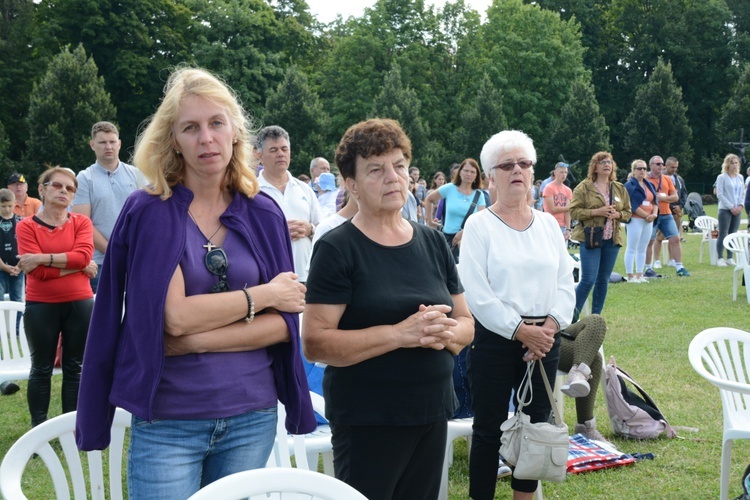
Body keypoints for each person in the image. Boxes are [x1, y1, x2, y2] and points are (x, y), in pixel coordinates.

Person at [74, 68, 316, 498]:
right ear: (173, 140)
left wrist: (198, 340)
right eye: (191, 127)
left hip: (251, 415)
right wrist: (264, 295)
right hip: (170, 417)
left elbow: (284, 324)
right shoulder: (150, 211)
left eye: (216, 123)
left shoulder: (263, 212)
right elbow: (177, 318)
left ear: (236, 132)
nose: (206, 138)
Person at [303, 118, 474, 500]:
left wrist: (445, 333)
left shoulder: (432, 242)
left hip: (432, 410)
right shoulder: (337, 248)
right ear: (351, 184)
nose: (392, 177)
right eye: (375, 170)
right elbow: (315, 343)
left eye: (398, 165)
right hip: (369, 418)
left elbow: (466, 323)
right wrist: (400, 334)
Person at [459, 129, 575, 500]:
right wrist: (520, 330)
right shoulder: (479, 225)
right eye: (507, 165)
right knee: (488, 428)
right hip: (496, 340)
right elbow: (477, 293)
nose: (517, 171)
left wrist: (551, 328)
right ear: (490, 176)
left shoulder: (547, 225)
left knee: (536, 426)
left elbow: (565, 282)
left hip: (545, 341)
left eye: (524, 163)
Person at [16, 167, 96, 427]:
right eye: (57, 186)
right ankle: (39, 429)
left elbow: (83, 256)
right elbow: (37, 274)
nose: (64, 191)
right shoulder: (27, 226)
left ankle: (73, 428)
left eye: (70, 188)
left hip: (80, 303)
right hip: (41, 305)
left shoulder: (82, 223)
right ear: (42, 189)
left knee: (75, 368)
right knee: (41, 369)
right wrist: (77, 267)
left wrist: (42, 258)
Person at [72, 121, 146, 293]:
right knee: (104, 318)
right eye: (102, 142)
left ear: (119, 144)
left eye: (112, 142)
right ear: (92, 145)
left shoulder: (137, 175)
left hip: (135, 259)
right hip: (100, 263)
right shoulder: (84, 178)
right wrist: (113, 250)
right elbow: (82, 223)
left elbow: (147, 216)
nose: (108, 147)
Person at [256, 126, 321, 283]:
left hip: (306, 276)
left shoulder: (305, 190)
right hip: (269, 279)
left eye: (284, 149)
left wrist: (310, 229)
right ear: (260, 156)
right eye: (273, 150)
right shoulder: (250, 192)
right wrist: (277, 231)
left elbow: (322, 231)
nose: (280, 154)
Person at [569, 152, 631, 316]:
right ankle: (570, 317)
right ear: (594, 167)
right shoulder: (583, 187)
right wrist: (598, 211)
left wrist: (618, 215)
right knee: (588, 279)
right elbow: (574, 212)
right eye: (602, 162)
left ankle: (596, 317)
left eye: (609, 162)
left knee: (603, 280)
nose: (606, 165)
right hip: (590, 238)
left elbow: (628, 212)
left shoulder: (619, 188)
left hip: (612, 240)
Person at [424, 158, 486, 263]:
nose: (468, 174)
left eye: (472, 172)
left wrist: (463, 232)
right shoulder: (449, 188)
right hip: (448, 240)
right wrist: (429, 221)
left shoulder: (479, 195)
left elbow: (481, 221)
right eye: (466, 170)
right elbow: (429, 199)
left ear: (476, 175)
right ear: (460, 172)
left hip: (468, 241)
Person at [558, 314, 609, 441]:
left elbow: (572, 312)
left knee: (596, 321)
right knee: (594, 359)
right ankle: (585, 426)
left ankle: (578, 373)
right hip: (530, 332)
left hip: (560, 325)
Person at [643, 156, 690, 277]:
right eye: (658, 164)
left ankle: (679, 266)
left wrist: (662, 198)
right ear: (651, 165)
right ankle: (648, 268)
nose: (660, 166)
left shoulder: (667, 179)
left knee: (675, 239)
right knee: (650, 241)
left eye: (662, 164)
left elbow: (675, 197)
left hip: (666, 214)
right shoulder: (644, 179)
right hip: (652, 215)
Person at [624, 160, 658, 283]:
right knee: (632, 247)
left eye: (644, 168)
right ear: (633, 171)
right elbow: (631, 204)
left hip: (648, 221)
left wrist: (654, 214)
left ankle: (639, 274)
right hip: (635, 220)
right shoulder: (629, 186)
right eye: (639, 168)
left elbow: (655, 201)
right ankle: (630, 276)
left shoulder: (649, 184)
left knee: (643, 247)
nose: (642, 171)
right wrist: (646, 215)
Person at [716, 153, 745, 267]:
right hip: (725, 209)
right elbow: (720, 194)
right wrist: (731, 207)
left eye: (736, 163)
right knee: (723, 233)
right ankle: (720, 258)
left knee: (733, 233)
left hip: (738, 209)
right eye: (732, 163)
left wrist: (741, 206)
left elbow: (743, 193)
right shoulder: (722, 177)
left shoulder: (740, 177)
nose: (734, 165)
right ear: (727, 164)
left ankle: (729, 257)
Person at [542, 162, 573, 239]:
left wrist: (568, 229)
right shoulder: (549, 187)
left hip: (563, 226)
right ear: (555, 173)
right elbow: (552, 209)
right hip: (550, 224)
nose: (564, 175)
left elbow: (567, 212)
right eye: (561, 172)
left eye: (565, 172)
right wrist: (569, 207)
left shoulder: (568, 190)